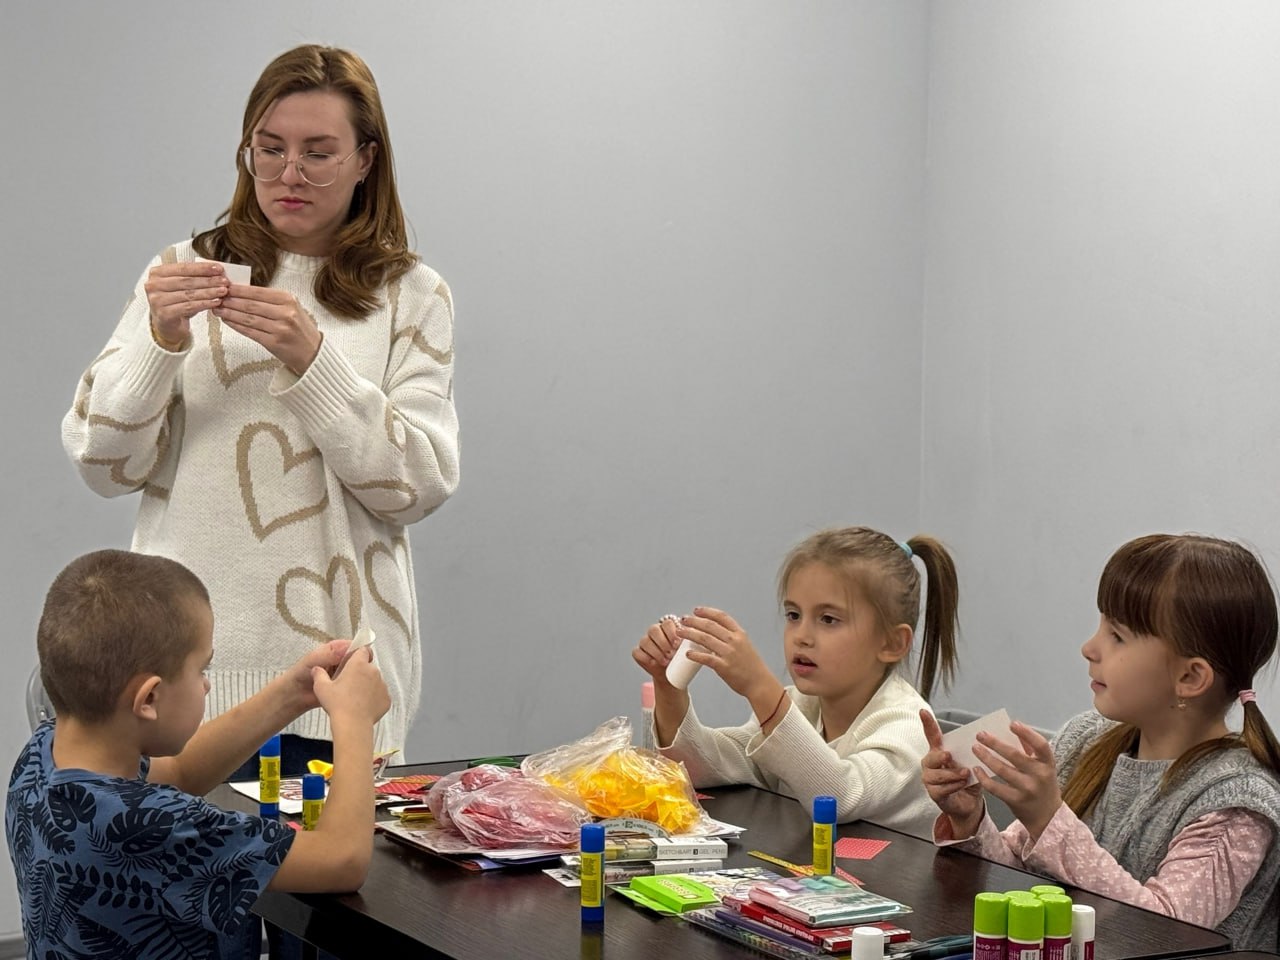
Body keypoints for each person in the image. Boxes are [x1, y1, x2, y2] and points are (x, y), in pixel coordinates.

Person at [61, 44, 459, 773]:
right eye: (269, 149)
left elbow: (416, 487)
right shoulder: (182, 271)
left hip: (337, 684)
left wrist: (314, 361)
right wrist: (160, 342)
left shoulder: (411, 295)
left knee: (333, 855)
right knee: (177, 853)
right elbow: (102, 464)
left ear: (366, 160)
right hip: (176, 688)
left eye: (318, 153)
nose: (289, 174)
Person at [6, 549, 390, 960]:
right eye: (202, 670)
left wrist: (292, 693)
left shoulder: (43, 756)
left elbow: (181, 772)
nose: (206, 685)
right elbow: (342, 860)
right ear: (149, 698)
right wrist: (354, 720)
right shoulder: (148, 827)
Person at [920, 533, 1280, 950]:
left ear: (1190, 677)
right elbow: (1018, 884)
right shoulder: (1085, 739)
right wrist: (970, 819)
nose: (1089, 648)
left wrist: (1047, 818)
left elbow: (1164, 933)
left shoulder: (1236, 803)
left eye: (1117, 636)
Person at [633, 526, 960, 838]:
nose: (801, 636)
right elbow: (700, 768)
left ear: (891, 643)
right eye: (793, 615)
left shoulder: (907, 727)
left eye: (828, 619)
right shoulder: (803, 706)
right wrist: (669, 685)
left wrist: (760, 687)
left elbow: (838, 797)